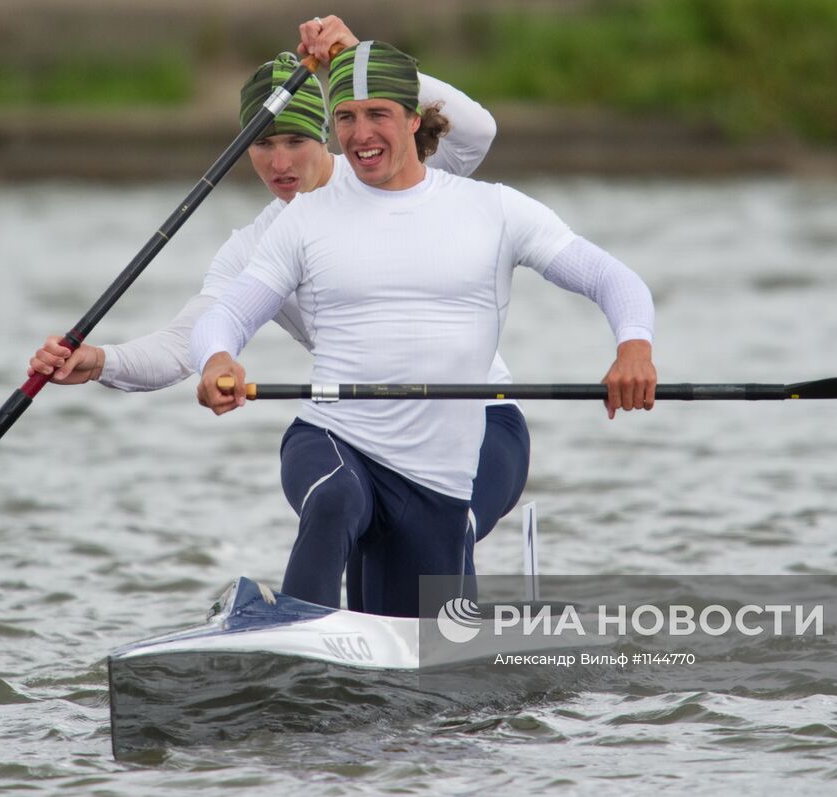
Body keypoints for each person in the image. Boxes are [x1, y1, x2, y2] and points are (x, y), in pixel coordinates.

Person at [25, 18, 528, 607]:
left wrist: (356, 54)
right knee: (334, 500)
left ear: (333, 135)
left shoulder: (398, 173)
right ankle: (301, 651)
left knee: (452, 525)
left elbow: (476, 131)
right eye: (263, 143)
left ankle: (433, 650)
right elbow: (186, 342)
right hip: (362, 435)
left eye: (296, 141)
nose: (278, 161)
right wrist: (99, 360)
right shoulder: (256, 245)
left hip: (477, 420)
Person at [192, 40, 657, 618]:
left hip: (437, 472)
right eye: (345, 118)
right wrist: (217, 357)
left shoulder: (495, 210)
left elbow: (613, 279)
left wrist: (633, 348)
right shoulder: (304, 220)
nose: (360, 134)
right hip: (337, 436)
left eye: (378, 114)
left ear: (415, 118)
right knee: (333, 499)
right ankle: (288, 637)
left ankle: (337, 651)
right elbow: (227, 312)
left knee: (415, 641)